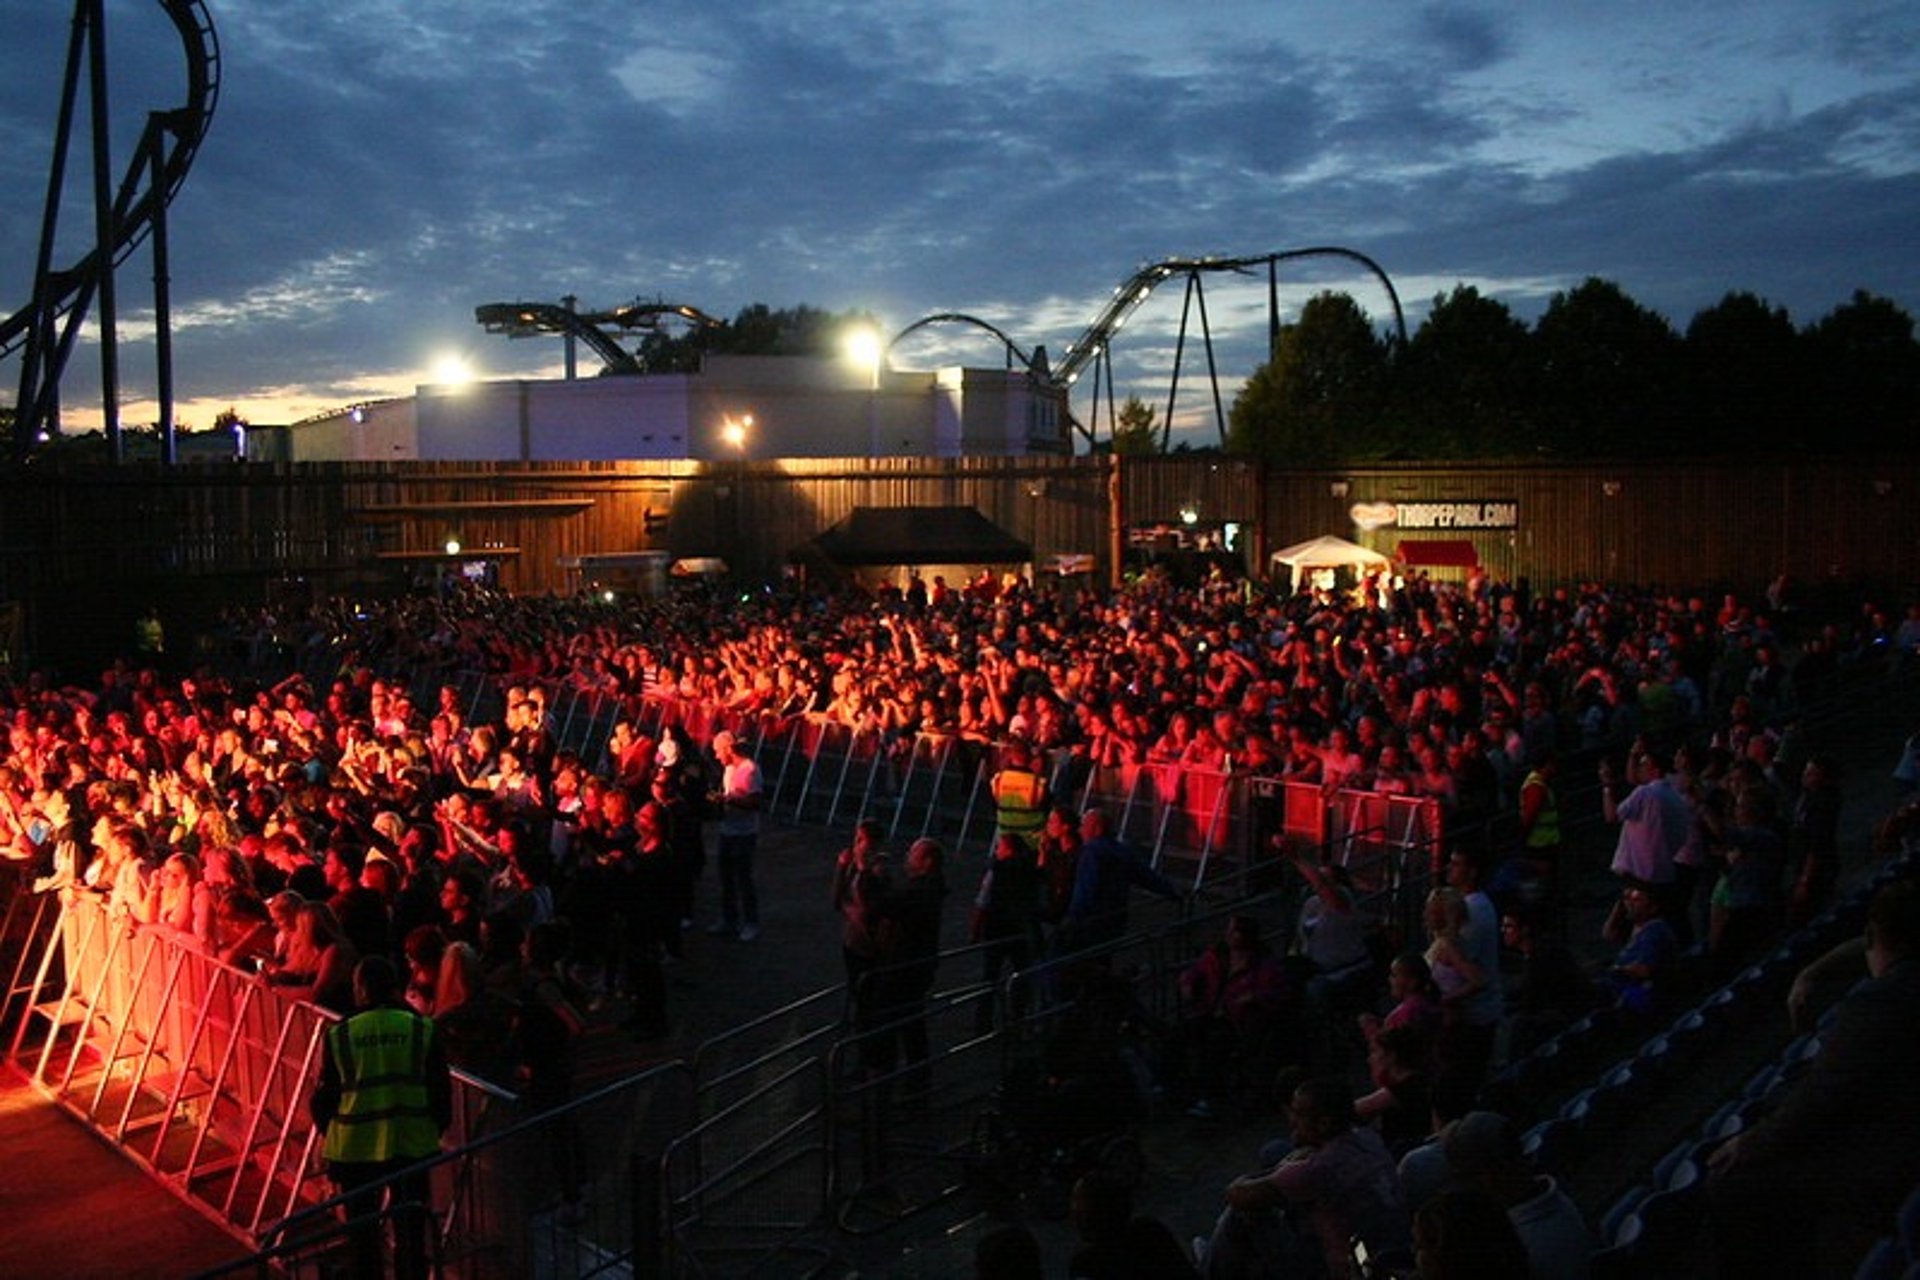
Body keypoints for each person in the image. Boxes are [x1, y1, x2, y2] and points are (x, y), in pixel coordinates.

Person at [1708, 883, 1920, 1277]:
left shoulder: (1876, 1005)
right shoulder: (1905, 974)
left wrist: (1751, 1142)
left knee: (1733, 1182)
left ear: (1875, 934)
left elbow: (1821, 1098)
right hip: (1899, 1140)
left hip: (1885, 1160)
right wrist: (1813, 971)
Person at [310, 955, 452, 1280]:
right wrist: (434, 1127)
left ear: (360, 989)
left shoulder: (341, 1033)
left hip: (355, 1147)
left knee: (362, 1236)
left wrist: (326, 1132)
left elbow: (326, 1095)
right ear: (394, 987)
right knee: (411, 1232)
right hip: (411, 1142)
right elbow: (440, 1091)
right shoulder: (420, 1028)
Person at [1196, 1075, 1411, 1280]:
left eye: (1299, 1114)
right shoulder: (1367, 1137)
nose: (1292, 1121)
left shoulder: (1318, 1169)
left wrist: (1283, 1167)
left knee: (1242, 1213)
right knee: (1275, 1157)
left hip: (1337, 1269)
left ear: (1324, 1123)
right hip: (1388, 1248)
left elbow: (1237, 1194)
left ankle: (1210, 1267)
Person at [1065, 807, 1182, 951]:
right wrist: (1172, 892)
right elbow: (1146, 876)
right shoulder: (1122, 851)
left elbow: (1085, 891)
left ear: (1097, 829)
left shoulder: (1092, 852)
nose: (1079, 831)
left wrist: (1073, 918)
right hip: (1115, 919)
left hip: (1092, 922)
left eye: (1084, 826)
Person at [708, 730, 762, 941]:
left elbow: (755, 802)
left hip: (744, 832)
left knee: (743, 878)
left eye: (718, 751)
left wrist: (727, 801)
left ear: (728, 749)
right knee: (726, 878)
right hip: (727, 829)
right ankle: (729, 919)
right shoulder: (729, 769)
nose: (716, 756)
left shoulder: (750, 770)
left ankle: (751, 922)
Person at [989, 740, 1049, 855]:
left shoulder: (998, 780)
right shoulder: (1039, 784)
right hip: (1031, 842)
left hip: (1005, 841)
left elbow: (995, 806)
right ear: (1030, 758)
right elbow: (1047, 810)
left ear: (1011, 756)